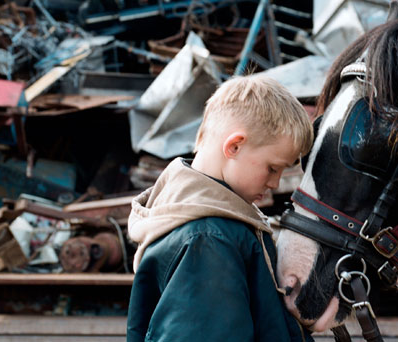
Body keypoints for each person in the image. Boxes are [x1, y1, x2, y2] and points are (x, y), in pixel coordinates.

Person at [126, 74, 314, 342]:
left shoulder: (212, 225)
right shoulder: (210, 238)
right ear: (234, 146)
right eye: (273, 168)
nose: (275, 182)